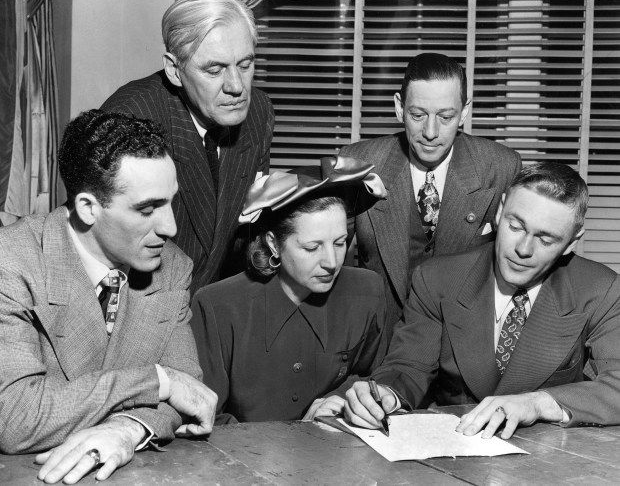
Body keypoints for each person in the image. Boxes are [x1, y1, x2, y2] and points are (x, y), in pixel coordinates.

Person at [0, 110, 218, 484]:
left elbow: (189, 395)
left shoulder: (173, 268)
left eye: (170, 203)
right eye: (147, 209)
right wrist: (157, 382)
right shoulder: (11, 262)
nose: (170, 227)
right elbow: (17, 418)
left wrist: (127, 429)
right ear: (88, 208)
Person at [344, 162, 620, 439]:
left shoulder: (601, 289)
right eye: (516, 226)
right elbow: (409, 366)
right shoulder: (437, 278)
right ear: (500, 212)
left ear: (572, 242)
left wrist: (537, 403)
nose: (523, 249)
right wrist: (385, 395)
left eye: (546, 240)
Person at [190, 156, 389, 423]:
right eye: (312, 248)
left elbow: (376, 376)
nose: (331, 262)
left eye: (340, 243)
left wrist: (342, 400)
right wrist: (292, 434)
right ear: (273, 244)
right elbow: (205, 418)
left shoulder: (367, 291)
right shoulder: (216, 307)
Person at [340, 52, 521, 340]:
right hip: (378, 343)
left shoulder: (500, 167)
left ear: (464, 112)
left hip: (462, 346)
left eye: (446, 117)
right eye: (418, 115)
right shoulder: (359, 164)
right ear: (399, 108)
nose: (430, 132)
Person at [102, 0, 274, 294]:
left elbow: (241, 234)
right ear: (174, 69)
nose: (237, 86)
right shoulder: (131, 116)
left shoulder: (258, 112)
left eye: (245, 65)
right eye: (215, 70)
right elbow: (110, 248)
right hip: (138, 305)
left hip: (212, 304)